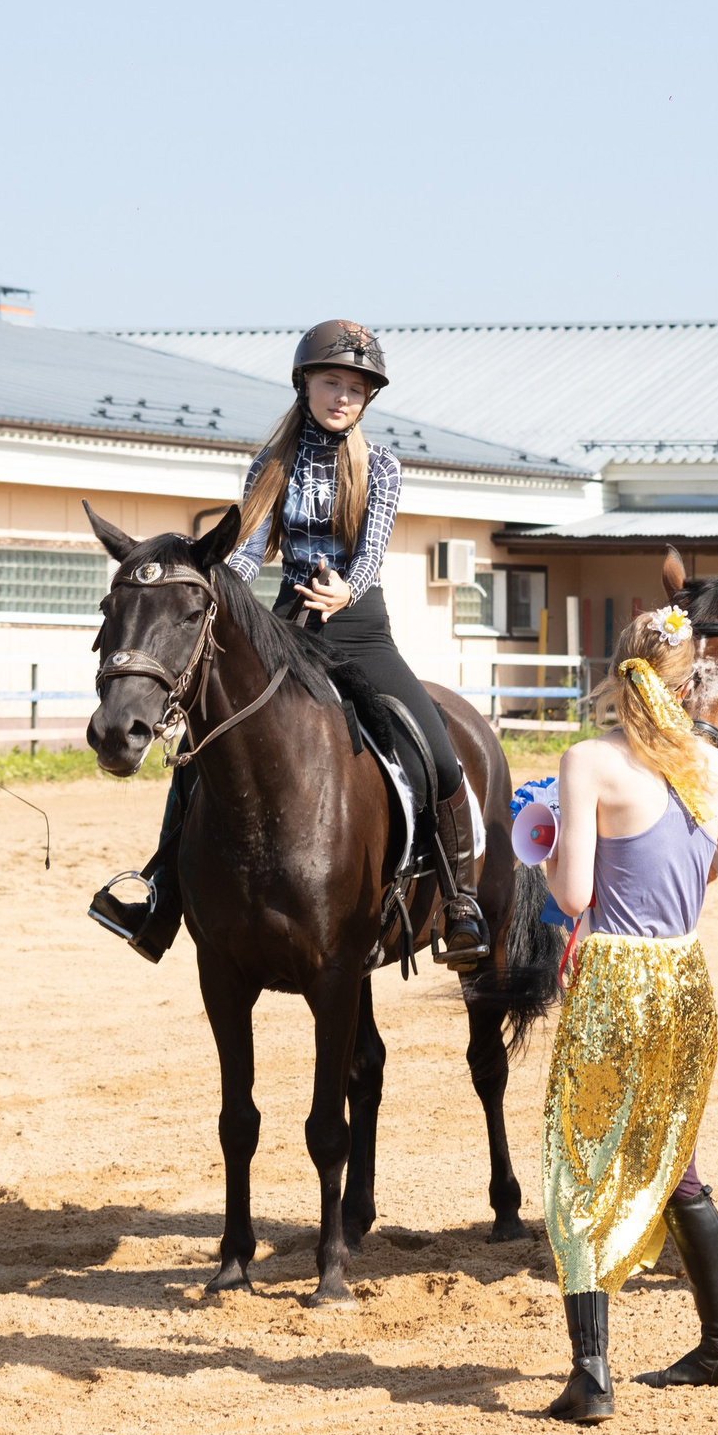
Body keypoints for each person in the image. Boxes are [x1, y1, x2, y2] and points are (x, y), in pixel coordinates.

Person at [88, 319, 490, 969]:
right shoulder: (270, 464)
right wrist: (219, 588)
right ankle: (161, 896)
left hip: (360, 625)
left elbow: (372, 550)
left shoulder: (381, 467)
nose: (343, 396)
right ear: (305, 382)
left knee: (438, 751)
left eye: (356, 388)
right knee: (199, 752)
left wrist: (346, 591)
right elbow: (246, 551)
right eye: (333, 381)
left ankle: (461, 898)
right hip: (285, 625)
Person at [537, 606, 718, 1425]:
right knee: (677, 1164)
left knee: (584, 1168)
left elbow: (572, 894)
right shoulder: (715, 767)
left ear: (619, 670)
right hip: (683, 976)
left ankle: (592, 1374)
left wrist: (558, 844)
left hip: (615, 980)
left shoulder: (588, 760)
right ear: (689, 678)